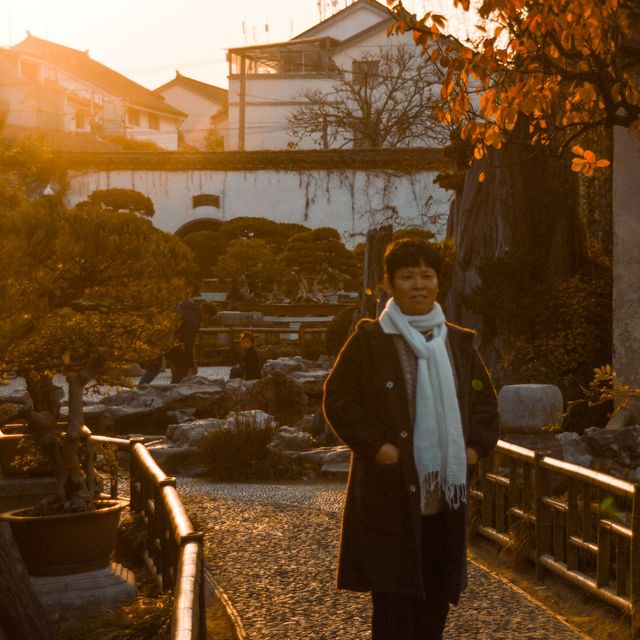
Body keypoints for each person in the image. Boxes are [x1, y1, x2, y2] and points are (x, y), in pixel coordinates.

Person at [323, 238, 499, 640]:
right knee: (394, 602)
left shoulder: (457, 342)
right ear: (389, 283)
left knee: (435, 601)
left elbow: (485, 403)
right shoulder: (370, 340)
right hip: (391, 493)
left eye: (426, 275)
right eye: (407, 276)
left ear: (439, 282)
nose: (418, 284)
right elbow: (339, 400)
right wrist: (377, 448)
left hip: (442, 499)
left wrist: (473, 450)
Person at [139, 298, 201, 385]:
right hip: (168, 339)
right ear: (207, 313)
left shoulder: (182, 306)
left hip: (155, 335)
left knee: (153, 367)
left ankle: (140, 389)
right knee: (183, 365)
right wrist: (191, 363)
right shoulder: (194, 317)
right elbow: (188, 342)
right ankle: (172, 388)